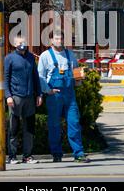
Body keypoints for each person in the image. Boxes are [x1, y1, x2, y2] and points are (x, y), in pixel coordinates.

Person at [37, 30, 90, 163]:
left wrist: (79, 79)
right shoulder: (45, 56)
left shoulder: (70, 55)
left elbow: (76, 73)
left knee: (74, 123)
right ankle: (56, 154)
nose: (59, 41)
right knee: (54, 125)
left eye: (61, 38)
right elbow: (40, 76)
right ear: (51, 41)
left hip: (69, 95)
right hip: (54, 96)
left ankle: (79, 153)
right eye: (56, 39)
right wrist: (47, 90)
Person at [4, 36, 42, 164]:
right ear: (15, 44)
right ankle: (12, 156)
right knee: (13, 128)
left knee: (29, 128)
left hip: (30, 97)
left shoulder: (31, 57)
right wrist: (8, 95)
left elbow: (35, 76)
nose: (23, 44)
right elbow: (6, 78)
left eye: (24, 42)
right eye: (20, 43)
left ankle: (28, 156)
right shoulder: (9, 58)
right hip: (16, 97)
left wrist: (39, 94)